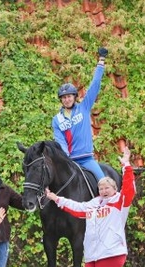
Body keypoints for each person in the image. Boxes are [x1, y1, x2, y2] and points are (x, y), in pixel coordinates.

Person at [45, 146, 135, 267]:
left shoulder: (120, 201)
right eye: (101, 188)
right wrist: (54, 197)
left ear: (114, 189)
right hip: (93, 254)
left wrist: (126, 164)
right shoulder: (94, 204)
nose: (103, 190)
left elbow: (129, 187)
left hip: (111, 253)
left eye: (107, 187)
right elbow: (75, 207)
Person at [52, 47, 109, 181]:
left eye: (69, 96)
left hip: (87, 159)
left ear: (74, 97)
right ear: (61, 100)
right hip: (70, 161)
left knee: (104, 184)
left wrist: (101, 62)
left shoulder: (84, 107)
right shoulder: (57, 119)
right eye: (64, 97)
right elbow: (60, 141)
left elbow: (95, 85)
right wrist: (66, 158)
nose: (67, 100)